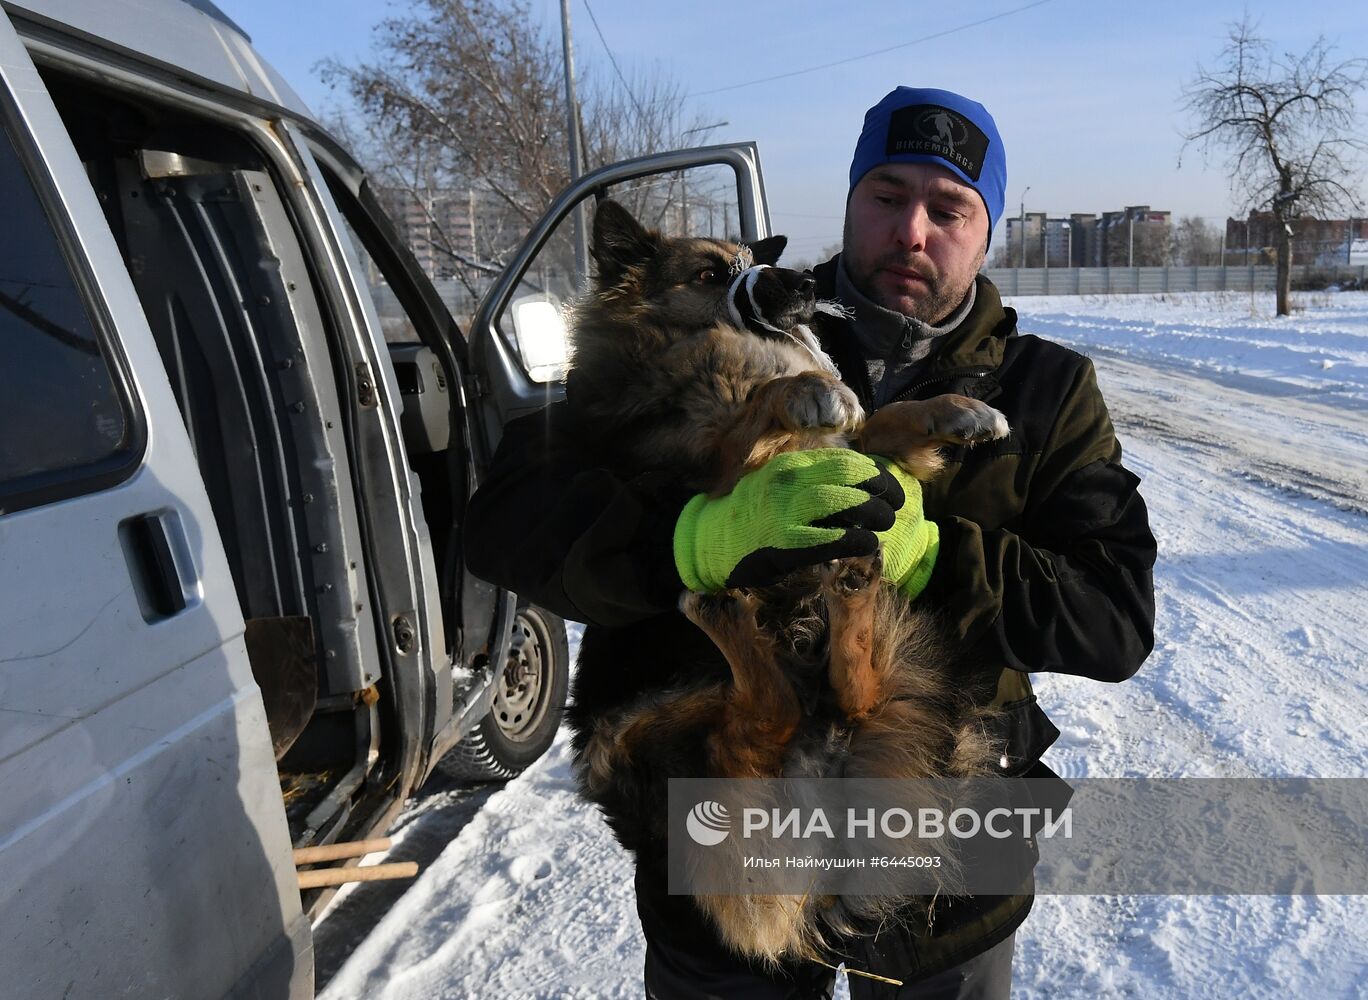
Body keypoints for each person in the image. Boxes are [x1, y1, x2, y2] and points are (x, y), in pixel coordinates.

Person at [464, 86, 1157, 999]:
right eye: (887, 195)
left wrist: (937, 556)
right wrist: (687, 544)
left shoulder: (1048, 391)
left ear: (986, 233)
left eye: (949, 208)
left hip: (941, 862)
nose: (912, 229)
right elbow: (506, 517)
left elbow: (1113, 618)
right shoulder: (712, 323)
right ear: (849, 203)